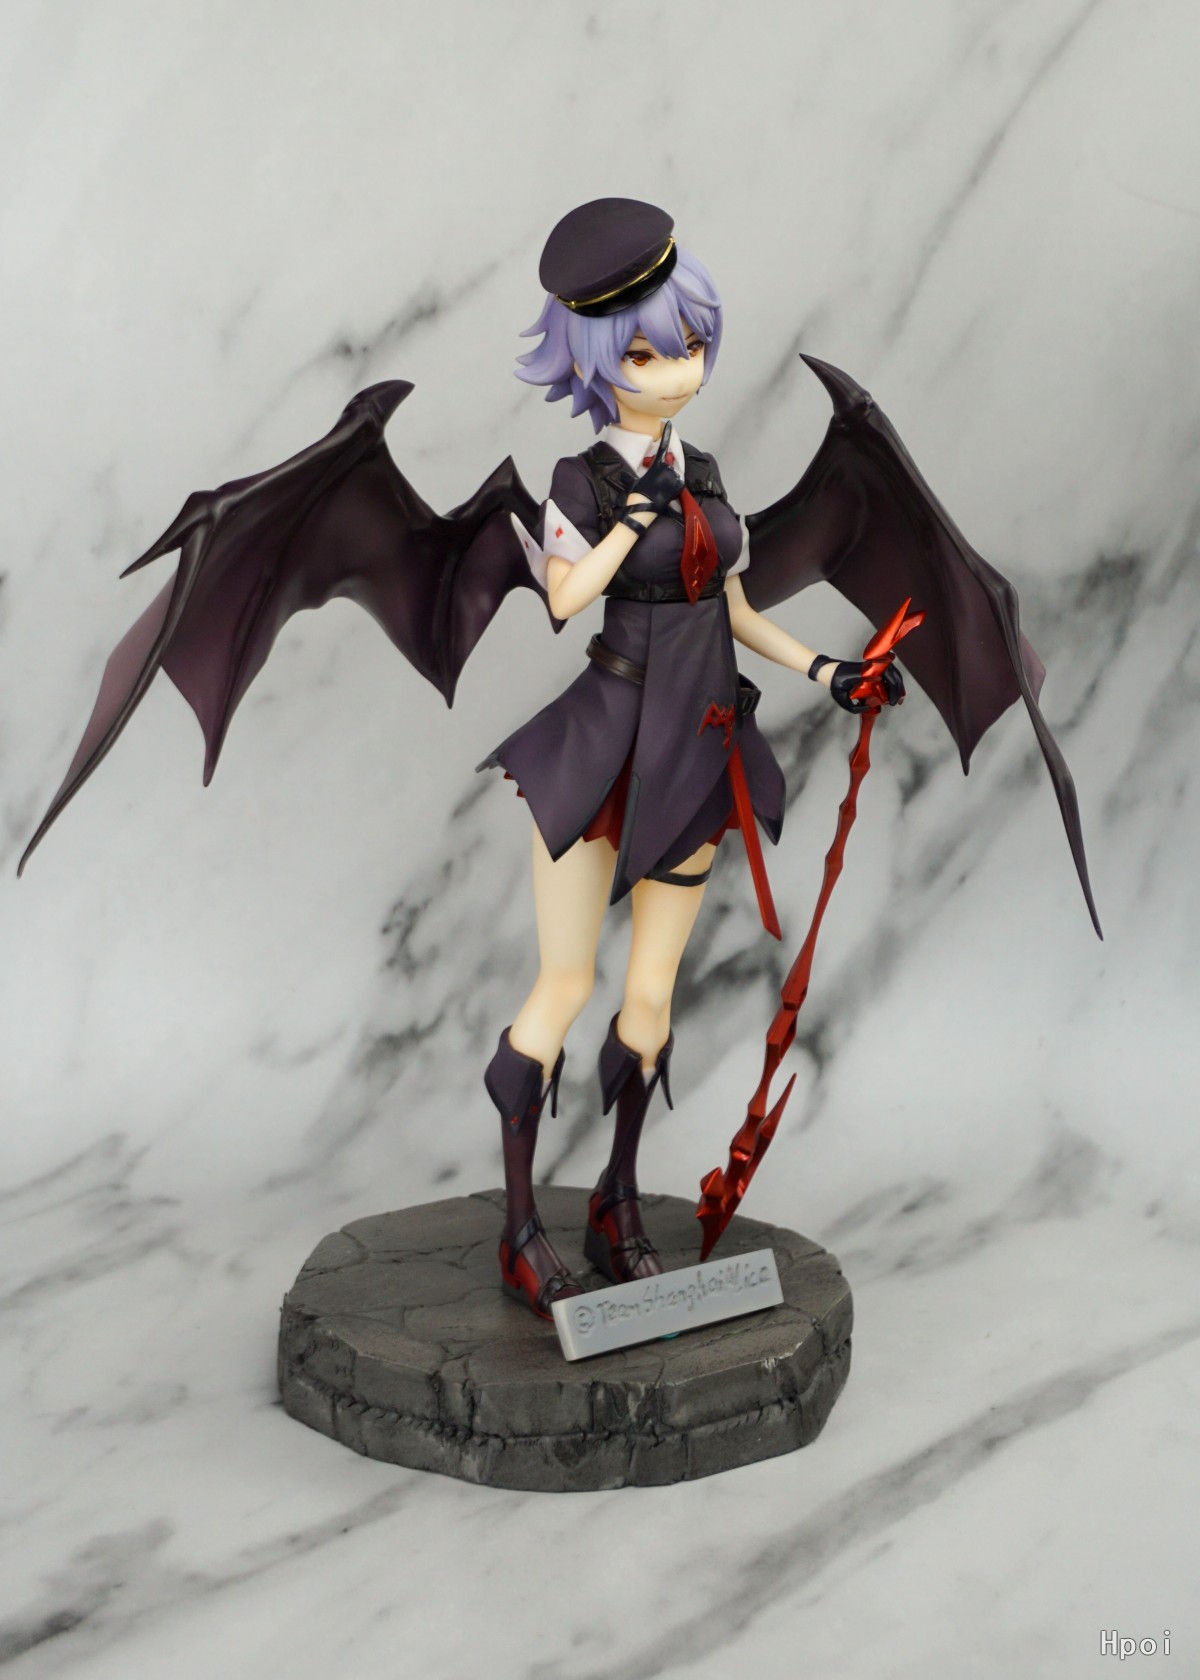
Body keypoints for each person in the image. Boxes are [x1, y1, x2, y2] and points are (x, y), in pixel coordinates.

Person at [478, 199, 903, 1319]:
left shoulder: (704, 467)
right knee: (566, 984)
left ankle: (615, 1202)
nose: (678, 372)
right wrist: (629, 519)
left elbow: (736, 609)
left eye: (692, 345)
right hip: (601, 748)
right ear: (592, 361)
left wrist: (830, 671)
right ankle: (519, 1228)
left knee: (651, 998)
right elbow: (563, 599)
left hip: (696, 744)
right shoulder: (581, 480)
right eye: (647, 355)